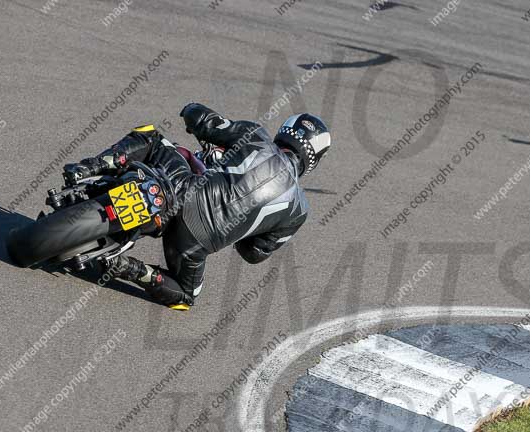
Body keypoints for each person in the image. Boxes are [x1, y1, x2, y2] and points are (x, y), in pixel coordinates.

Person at [62, 103, 331, 310]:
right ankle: (129, 268)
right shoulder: (299, 210)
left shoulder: (256, 136)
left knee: (151, 138)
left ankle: (86, 168)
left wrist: (191, 110)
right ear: (314, 159)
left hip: (183, 191)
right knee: (186, 296)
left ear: (284, 131)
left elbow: (205, 122)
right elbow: (253, 254)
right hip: (194, 243)